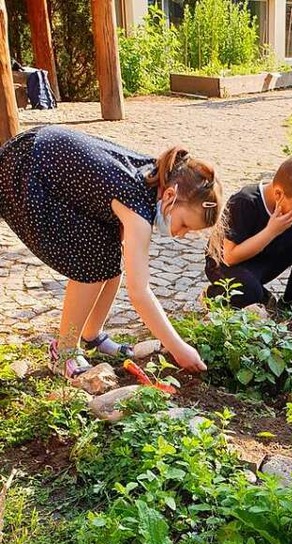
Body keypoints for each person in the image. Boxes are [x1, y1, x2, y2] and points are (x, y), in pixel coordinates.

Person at [0, 125, 223, 378]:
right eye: (184, 225)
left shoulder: (156, 178)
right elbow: (140, 293)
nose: (180, 234)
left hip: (41, 155)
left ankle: (92, 335)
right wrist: (178, 347)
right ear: (170, 196)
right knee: (92, 263)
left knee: (107, 254)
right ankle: (64, 352)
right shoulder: (137, 213)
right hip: (27, 170)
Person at [204, 155, 292, 320]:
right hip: (227, 266)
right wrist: (271, 231)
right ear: (278, 194)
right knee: (250, 291)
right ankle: (214, 295)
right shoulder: (245, 202)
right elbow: (230, 256)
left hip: (265, 259)